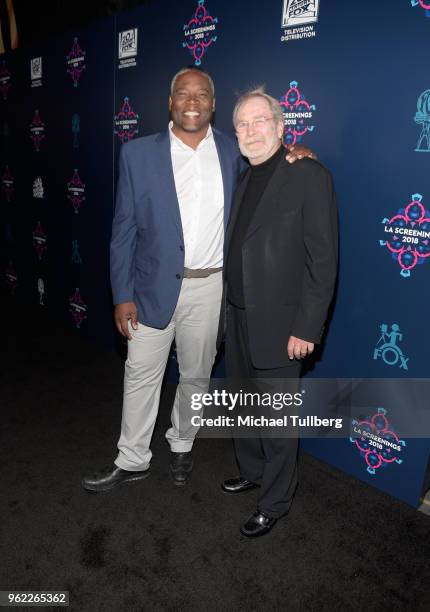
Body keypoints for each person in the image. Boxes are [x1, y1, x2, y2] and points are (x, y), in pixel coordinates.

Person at [82, 68, 314, 493]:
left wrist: (298, 152)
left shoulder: (234, 151)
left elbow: (272, 164)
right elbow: (123, 231)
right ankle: (132, 458)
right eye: (183, 94)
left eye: (202, 94)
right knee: (140, 375)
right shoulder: (136, 154)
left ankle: (182, 445)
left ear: (213, 104)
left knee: (196, 376)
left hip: (211, 288)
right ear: (170, 103)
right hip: (149, 288)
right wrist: (122, 294)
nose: (192, 101)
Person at [219, 88, 338, 537]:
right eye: (242, 125)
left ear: (281, 126)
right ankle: (251, 470)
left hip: (282, 324)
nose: (250, 132)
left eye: (259, 121)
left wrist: (307, 326)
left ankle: (275, 501)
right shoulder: (243, 174)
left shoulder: (308, 175)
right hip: (239, 318)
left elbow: (323, 261)